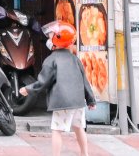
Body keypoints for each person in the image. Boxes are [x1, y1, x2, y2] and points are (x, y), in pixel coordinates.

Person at [20, 21, 96, 156]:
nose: (48, 40)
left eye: (50, 37)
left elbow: (42, 82)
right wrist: (91, 100)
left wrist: (28, 89)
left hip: (63, 102)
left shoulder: (51, 60)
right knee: (79, 129)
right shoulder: (75, 59)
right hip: (78, 102)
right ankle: (85, 154)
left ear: (57, 40)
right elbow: (85, 81)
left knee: (56, 130)